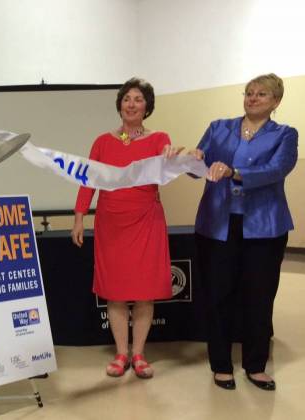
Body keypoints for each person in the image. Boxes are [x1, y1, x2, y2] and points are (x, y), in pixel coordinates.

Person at [192, 73, 297, 391]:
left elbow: (278, 169)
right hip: (218, 224)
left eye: (261, 94)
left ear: (275, 101)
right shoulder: (218, 127)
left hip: (264, 227)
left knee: (259, 297)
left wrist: (235, 172)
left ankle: (255, 365)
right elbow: (199, 166)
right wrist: (190, 159)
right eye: (248, 92)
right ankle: (221, 365)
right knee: (218, 295)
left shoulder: (285, 134)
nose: (252, 98)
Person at [71, 78, 172, 379]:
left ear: (147, 107)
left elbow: (169, 164)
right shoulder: (102, 141)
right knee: (114, 292)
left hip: (146, 221)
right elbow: (88, 180)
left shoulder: (159, 139)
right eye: (126, 98)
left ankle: (139, 354)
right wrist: (79, 217)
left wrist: (176, 156)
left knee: (143, 292)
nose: (131, 104)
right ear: (119, 105)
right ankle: (120, 353)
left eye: (138, 99)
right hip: (111, 223)